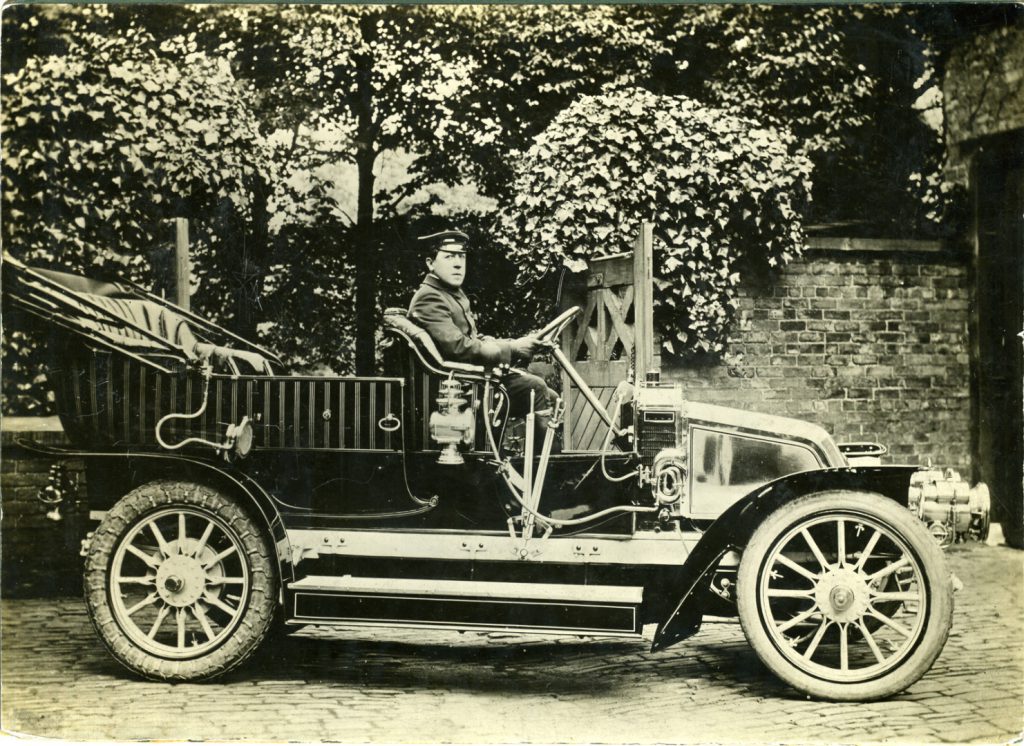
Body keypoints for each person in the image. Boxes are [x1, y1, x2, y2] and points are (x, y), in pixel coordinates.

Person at [407, 229, 559, 442]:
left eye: (461, 256)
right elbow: (458, 347)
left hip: (471, 381)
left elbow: (473, 340)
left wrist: (514, 343)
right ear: (430, 263)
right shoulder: (429, 298)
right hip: (459, 388)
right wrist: (513, 348)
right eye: (449, 256)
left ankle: (527, 465)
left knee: (549, 395)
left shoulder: (449, 293)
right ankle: (547, 471)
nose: (458, 263)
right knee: (537, 389)